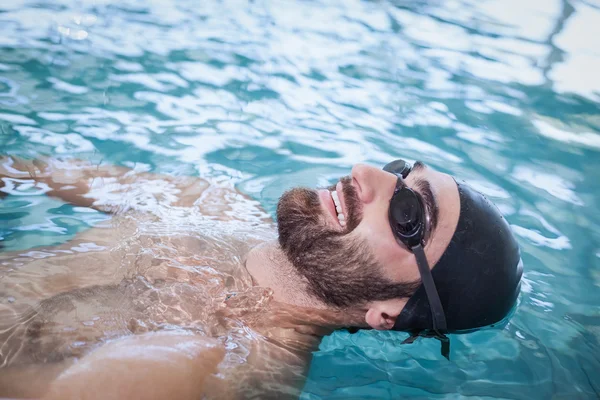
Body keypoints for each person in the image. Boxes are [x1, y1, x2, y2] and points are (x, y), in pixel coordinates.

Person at [0, 155, 522, 399]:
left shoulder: (209, 367)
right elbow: (25, 171)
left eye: (409, 214)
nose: (365, 174)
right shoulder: (212, 205)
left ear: (388, 314)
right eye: (399, 169)